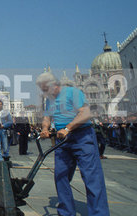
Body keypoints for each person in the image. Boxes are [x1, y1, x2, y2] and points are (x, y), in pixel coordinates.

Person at [36, 72, 109, 216]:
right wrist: (45, 128)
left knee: (91, 177)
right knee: (60, 176)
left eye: (45, 89)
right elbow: (47, 117)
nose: (44, 92)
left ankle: (99, 213)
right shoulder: (50, 99)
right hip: (62, 141)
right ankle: (66, 212)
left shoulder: (73, 92)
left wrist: (68, 128)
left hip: (82, 136)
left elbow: (85, 114)